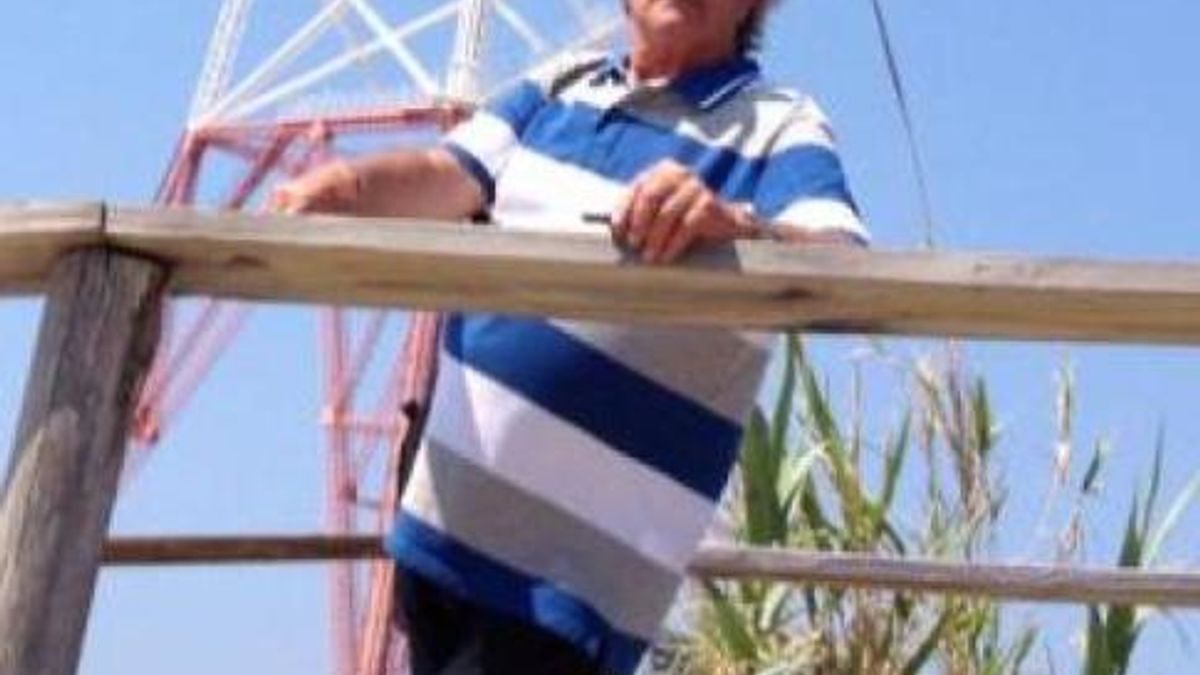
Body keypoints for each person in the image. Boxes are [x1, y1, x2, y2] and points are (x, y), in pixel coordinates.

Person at [272, 1, 867, 673]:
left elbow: (839, 262)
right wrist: (345, 186)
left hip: (570, 585)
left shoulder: (779, 122)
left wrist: (737, 226)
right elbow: (448, 175)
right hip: (441, 534)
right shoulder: (559, 84)